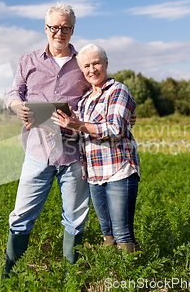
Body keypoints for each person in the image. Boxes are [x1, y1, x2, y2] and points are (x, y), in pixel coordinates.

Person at [3, 2, 92, 276]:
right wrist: (19, 107)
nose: (59, 32)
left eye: (65, 28)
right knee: (20, 217)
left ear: (72, 30)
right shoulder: (28, 61)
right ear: (46, 28)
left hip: (73, 153)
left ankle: (69, 277)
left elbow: (100, 95)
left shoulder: (83, 63)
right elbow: (12, 94)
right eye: (54, 27)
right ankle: (9, 274)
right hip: (37, 151)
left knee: (75, 220)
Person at [52, 43, 140, 253]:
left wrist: (77, 124)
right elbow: (77, 133)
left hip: (119, 169)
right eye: (86, 66)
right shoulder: (83, 101)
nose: (92, 70)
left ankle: (130, 276)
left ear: (106, 64)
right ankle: (111, 274)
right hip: (94, 173)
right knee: (107, 231)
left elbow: (115, 129)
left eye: (96, 63)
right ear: (82, 71)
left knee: (122, 233)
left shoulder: (118, 90)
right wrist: (54, 124)